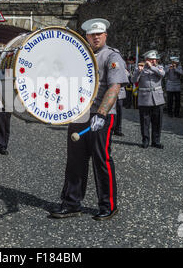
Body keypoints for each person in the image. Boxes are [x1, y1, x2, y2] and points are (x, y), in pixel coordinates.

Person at [50, 18, 128, 221]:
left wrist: (101, 114)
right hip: (79, 113)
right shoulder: (79, 57)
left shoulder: (112, 56)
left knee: (102, 160)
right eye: (92, 34)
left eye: (99, 34)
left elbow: (114, 86)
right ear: (86, 36)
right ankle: (71, 203)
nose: (95, 37)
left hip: (101, 115)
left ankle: (108, 205)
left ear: (105, 35)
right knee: (75, 161)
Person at [132, 50, 166, 149]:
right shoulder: (139, 68)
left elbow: (162, 74)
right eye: (151, 60)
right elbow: (133, 80)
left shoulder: (159, 68)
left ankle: (156, 141)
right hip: (145, 99)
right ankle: (145, 140)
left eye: (155, 59)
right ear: (147, 60)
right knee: (145, 121)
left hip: (157, 99)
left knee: (157, 121)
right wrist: (139, 71)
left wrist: (152, 67)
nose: (154, 61)